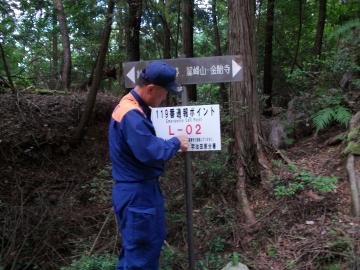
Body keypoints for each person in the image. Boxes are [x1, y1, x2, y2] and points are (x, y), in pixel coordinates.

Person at [109, 61, 188, 270]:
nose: (165, 98)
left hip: (137, 191)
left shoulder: (131, 105)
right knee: (141, 257)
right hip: (138, 195)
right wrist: (176, 142)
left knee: (134, 253)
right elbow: (151, 152)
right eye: (164, 93)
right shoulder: (132, 115)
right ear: (151, 88)